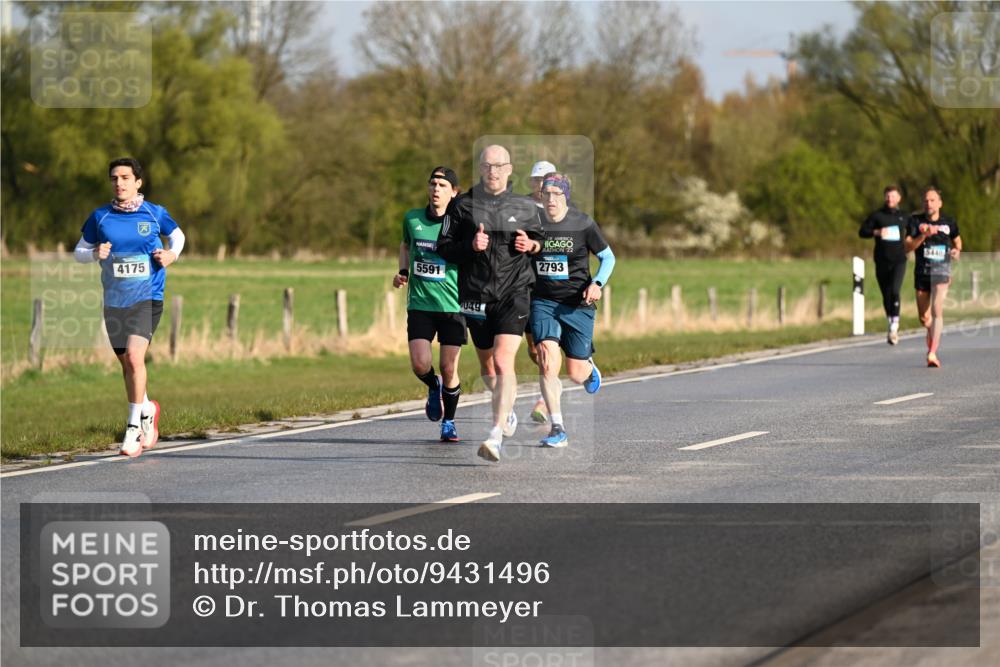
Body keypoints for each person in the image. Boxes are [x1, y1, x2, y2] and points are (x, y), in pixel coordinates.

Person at [436, 145, 545, 462]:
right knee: (487, 367)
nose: (493, 171)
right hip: (475, 296)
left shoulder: (525, 206)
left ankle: (495, 434)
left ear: (510, 169)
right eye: (487, 166)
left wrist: (532, 244)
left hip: (514, 294)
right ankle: (507, 410)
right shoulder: (462, 207)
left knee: (501, 361)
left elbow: (541, 241)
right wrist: (470, 246)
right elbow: (444, 247)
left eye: (499, 166)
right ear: (480, 170)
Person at [74, 157, 185, 457]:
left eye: (125, 177)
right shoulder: (100, 217)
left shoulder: (154, 212)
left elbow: (177, 236)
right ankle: (148, 409)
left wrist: (172, 255)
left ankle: (133, 427)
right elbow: (78, 251)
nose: (119, 183)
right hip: (114, 300)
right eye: (114, 178)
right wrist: (95, 252)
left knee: (136, 358)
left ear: (138, 182)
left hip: (148, 296)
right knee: (127, 364)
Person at [530, 173, 615, 447]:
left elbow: (607, 257)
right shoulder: (533, 223)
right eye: (546, 194)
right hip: (543, 301)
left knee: (575, 373)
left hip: (578, 303)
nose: (551, 199)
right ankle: (558, 428)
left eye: (556, 194)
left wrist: (598, 283)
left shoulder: (582, 223)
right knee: (545, 358)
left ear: (565, 195)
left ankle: (589, 368)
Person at [392, 167, 465, 441]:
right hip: (421, 304)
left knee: (449, 368)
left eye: (443, 185)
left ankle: (449, 421)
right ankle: (433, 386)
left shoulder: (461, 224)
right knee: (420, 364)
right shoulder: (412, 218)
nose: (436, 189)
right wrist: (403, 272)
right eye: (433, 183)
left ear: (454, 193)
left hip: (453, 306)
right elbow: (405, 245)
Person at [904, 187, 961, 368]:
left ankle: (932, 352)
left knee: (937, 309)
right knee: (924, 317)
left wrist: (956, 251)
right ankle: (931, 330)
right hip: (922, 273)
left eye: (932, 200)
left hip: (942, 270)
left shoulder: (949, 222)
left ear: (940, 203)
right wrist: (924, 235)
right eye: (926, 201)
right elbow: (908, 247)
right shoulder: (914, 222)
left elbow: (957, 241)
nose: (928, 203)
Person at [526, 160, 557, 425]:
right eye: (538, 180)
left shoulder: (560, 209)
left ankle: (544, 398)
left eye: (547, 180)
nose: (542, 185)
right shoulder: (520, 206)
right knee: (533, 350)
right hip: (523, 283)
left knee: (544, 346)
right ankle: (550, 385)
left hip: (548, 286)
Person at [859, 185, 909, 344]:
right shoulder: (877, 216)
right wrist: (876, 232)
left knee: (895, 290)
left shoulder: (904, 216)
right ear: (884, 197)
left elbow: (915, 230)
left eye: (893, 196)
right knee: (886, 294)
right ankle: (891, 322)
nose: (890, 199)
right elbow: (862, 231)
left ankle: (895, 326)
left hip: (899, 260)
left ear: (899, 198)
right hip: (881, 260)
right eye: (887, 196)